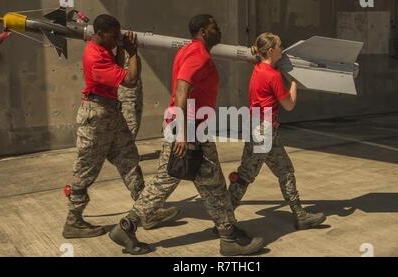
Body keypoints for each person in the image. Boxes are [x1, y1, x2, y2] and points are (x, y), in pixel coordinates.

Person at [108, 14, 265, 256]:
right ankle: (228, 237)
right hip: (190, 129)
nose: (219, 30)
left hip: (189, 126)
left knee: (191, 183)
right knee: (201, 183)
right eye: (215, 26)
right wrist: (182, 134)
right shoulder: (198, 55)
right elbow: (182, 90)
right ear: (203, 31)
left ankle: (227, 231)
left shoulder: (188, 50)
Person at [63, 14, 178, 239]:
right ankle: (73, 221)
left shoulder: (103, 49)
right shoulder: (95, 56)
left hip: (111, 113)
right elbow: (130, 80)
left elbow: (115, 67)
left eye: (118, 35)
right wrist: (133, 53)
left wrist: (122, 50)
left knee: (130, 161)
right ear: (99, 33)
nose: (117, 40)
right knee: (86, 169)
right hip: (96, 117)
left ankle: (146, 210)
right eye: (113, 36)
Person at [228, 32, 327, 230]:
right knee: (245, 176)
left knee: (285, 171)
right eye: (280, 46)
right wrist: (294, 84)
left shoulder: (258, 69)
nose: (283, 49)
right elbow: (289, 105)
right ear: (272, 50)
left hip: (261, 130)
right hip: (263, 132)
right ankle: (224, 221)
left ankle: (300, 215)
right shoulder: (272, 76)